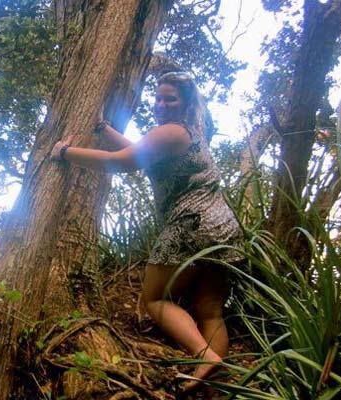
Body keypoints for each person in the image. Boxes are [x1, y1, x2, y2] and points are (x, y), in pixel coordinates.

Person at [50, 71, 243, 394]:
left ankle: (204, 357)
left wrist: (65, 154)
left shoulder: (170, 132)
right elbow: (141, 152)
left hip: (190, 225)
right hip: (223, 228)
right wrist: (104, 129)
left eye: (170, 99)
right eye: (158, 98)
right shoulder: (190, 133)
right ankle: (216, 385)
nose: (161, 104)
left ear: (185, 104)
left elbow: (122, 162)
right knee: (209, 311)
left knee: (154, 298)